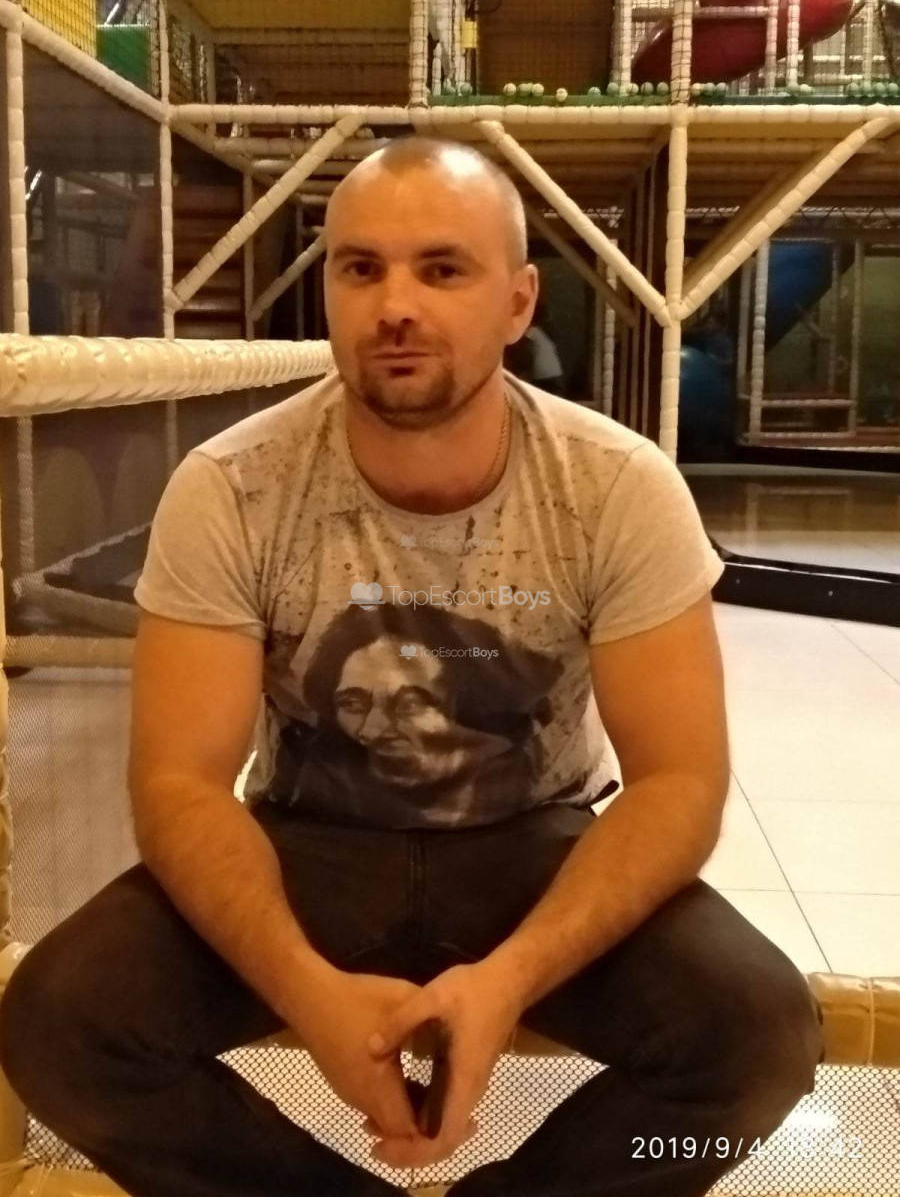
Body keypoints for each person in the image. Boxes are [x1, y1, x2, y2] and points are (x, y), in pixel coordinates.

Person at [0, 135, 824, 1197]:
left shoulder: (617, 487)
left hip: (534, 842)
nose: (395, 305)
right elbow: (178, 784)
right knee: (60, 1023)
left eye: (442, 269)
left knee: (758, 1039)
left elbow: (679, 782)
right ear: (330, 293)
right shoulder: (233, 487)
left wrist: (510, 978)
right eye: (362, 268)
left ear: (517, 304)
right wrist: (305, 989)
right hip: (310, 845)